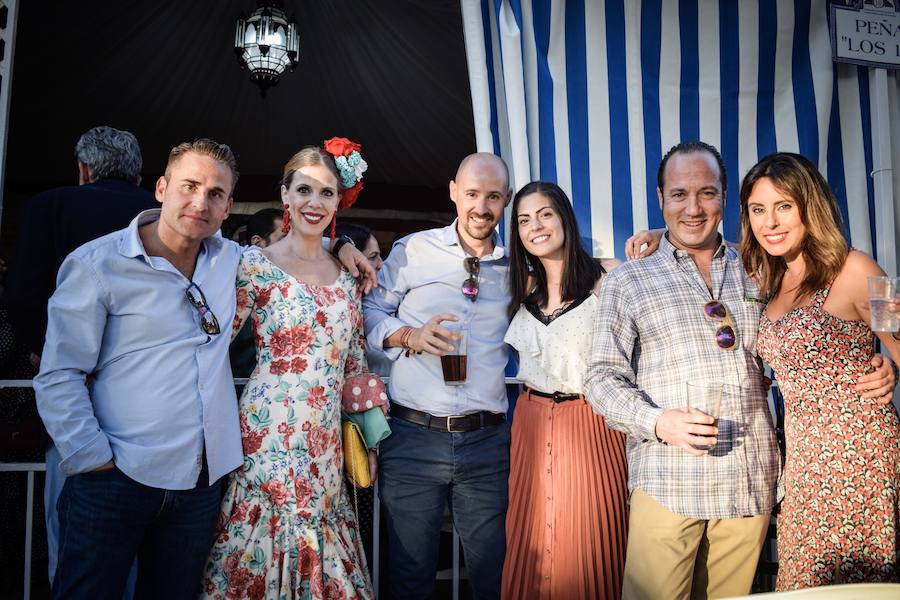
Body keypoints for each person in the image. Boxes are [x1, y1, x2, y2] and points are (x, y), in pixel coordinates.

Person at [34, 139, 244, 599]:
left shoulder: (232, 262)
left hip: (199, 484)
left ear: (228, 207)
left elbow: (300, 264)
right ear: (161, 188)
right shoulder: (97, 265)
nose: (199, 201)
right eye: (189, 186)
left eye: (215, 193)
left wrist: (344, 244)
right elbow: (58, 373)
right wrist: (93, 458)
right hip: (114, 478)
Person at [202, 142, 378, 599]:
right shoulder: (252, 266)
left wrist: (368, 438)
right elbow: (212, 342)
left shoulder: (348, 276)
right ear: (285, 194)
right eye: (304, 189)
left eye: (326, 193)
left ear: (339, 201)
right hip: (266, 438)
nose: (314, 203)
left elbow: (355, 363)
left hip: (325, 448)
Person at [2, 126, 156, 586]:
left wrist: (40, 354)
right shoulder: (161, 214)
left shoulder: (50, 206)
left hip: (73, 382)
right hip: (151, 390)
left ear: (84, 168)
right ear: (138, 174)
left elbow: (24, 293)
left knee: (69, 523)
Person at [740, 152, 900, 589]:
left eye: (784, 206)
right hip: (805, 463)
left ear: (811, 206)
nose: (770, 222)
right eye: (758, 210)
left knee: (857, 587)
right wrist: (660, 234)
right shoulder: (772, 277)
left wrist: (892, 369)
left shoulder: (858, 267)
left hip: (859, 456)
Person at [363, 152, 512, 599]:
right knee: (409, 576)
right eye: (471, 194)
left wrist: (657, 239)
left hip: (487, 445)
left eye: (492, 197)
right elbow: (369, 307)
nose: (480, 207)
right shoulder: (414, 249)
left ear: (505, 200)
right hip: (412, 438)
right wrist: (407, 334)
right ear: (453, 192)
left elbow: (575, 274)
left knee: (492, 577)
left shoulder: (518, 262)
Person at [501, 181, 628, 599]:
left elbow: (678, 254)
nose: (535, 226)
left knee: (586, 536)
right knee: (534, 537)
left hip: (590, 424)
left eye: (545, 215)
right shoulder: (523, 289)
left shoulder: (607, 275)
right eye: (523, 220)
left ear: (564, 219)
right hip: (531, 423)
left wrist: (657, 236)